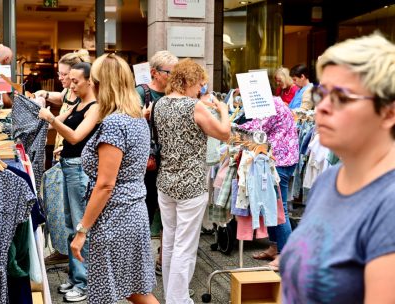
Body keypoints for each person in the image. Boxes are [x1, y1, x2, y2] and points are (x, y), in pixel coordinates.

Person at [280, 32, 395, 303]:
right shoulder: (328, 181)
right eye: (322, 94)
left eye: (342, 97)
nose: (323, 108)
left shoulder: (388, 202)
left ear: (389, 112)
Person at [70, 53, 158, 304]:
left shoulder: (115, 123)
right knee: (134, 289)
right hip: (132, 211)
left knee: (110, 290)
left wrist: (82, 230)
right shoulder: (136, 117)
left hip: (114, 216)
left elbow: (106, 184)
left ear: (100, 85)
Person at [153, 58, 230, 303]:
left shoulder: (161, 104)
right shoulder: (193, 107)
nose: (201, 90)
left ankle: (173, 295)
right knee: (185, 246)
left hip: (166, 181)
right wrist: (224, 110)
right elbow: (225, 134)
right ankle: (178, 300)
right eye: (199, 85)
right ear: (188, 81)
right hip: (191, 184)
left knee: (170, 240)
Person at [38, 62, 99, 303]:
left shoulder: (95, 107)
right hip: (68, 167)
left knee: (80, 226)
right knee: (70, 224)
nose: (71, 85)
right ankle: (76, 278)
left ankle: (84, 283)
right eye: (70, 80)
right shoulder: (78, 103)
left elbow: (74, 136)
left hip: (79, 170)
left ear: (89, 81)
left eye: (75, 81)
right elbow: (57, 120)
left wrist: (51, 119)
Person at [240, 96, 299, 270]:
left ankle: (285, 255)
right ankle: (275, 247)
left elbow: (256, 129)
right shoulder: (274, 102)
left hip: (279, 161)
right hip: (282, 159)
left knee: (280, 210)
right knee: (271, 207)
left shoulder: (269, 105)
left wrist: (226, 127)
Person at [135, 50, 178, 276]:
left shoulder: (177, 95)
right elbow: (128, 124)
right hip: (149, 165)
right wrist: (142, 119)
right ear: (154, 73)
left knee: (168, 214)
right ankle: (139, 262)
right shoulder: (141, 93)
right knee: (147, 211)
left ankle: (163, 258)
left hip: (171, 163)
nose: (174, 76)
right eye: (170, 72)